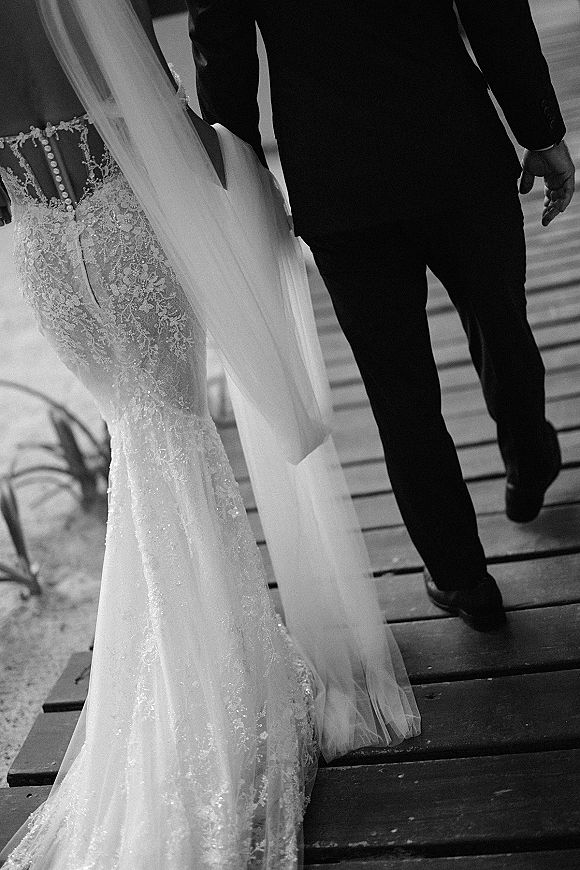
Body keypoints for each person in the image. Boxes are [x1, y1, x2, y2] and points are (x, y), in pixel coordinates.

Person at [0, 0, 419, 867]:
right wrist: (247, 181)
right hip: (127, 233)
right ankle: (216, 706)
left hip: (47, 250)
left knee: (140, 455)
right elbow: (158, 120)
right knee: (178, 448)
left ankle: (169, 689)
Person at [189, 0, 576, 633]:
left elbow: (222, 53)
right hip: (458, 145)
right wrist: (540, 129)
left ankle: (461, 578)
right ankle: (529, 458)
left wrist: (245, 183)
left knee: (399, 393)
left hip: (337, 177)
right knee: (502, 318)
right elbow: (494, 10)